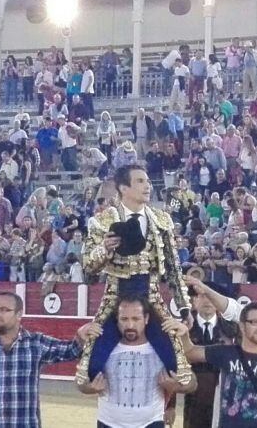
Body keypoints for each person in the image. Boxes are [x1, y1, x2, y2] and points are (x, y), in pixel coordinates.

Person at [76, 164, 192, 388]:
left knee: (178, 366)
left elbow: (173, 266)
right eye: (140, 181)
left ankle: (162, 407)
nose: (147, 186)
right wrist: (105, 249)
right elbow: (88, 268)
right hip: (115, 295)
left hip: (151, 295)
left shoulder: (161, 219)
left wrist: (184, 306)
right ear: (123, 188)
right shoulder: (102, 220)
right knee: (90, 369)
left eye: (147, 181)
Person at [0, 292, 96, 427]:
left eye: (4, 310)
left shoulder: (35, 343)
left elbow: (70, 350)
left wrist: (80, 337)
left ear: (19, 314)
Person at [79, 295, 196, 428]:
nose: (130, 325)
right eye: (124, 319)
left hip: (151, 423)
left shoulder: (163, 347)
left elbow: (192, 383)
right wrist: (89, 388)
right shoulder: (102, 348)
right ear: (116, 319)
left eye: (136, 319)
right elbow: (80, 383)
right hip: (108, 423)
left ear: (146, 318)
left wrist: (177, 386)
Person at [169, 301, 257, 428]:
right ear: (242, 326)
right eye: (254, 322)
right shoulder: (227, 353)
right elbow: (190, 352)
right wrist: (184, 334)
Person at [169, 283, 239, 428]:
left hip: (225, 395)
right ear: (193, 301)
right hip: (194, 397)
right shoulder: (183, 330)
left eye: (210, 296)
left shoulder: (233, 330)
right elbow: (173, 366)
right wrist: (170, 405)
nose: (207, 301)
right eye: (201, 296)